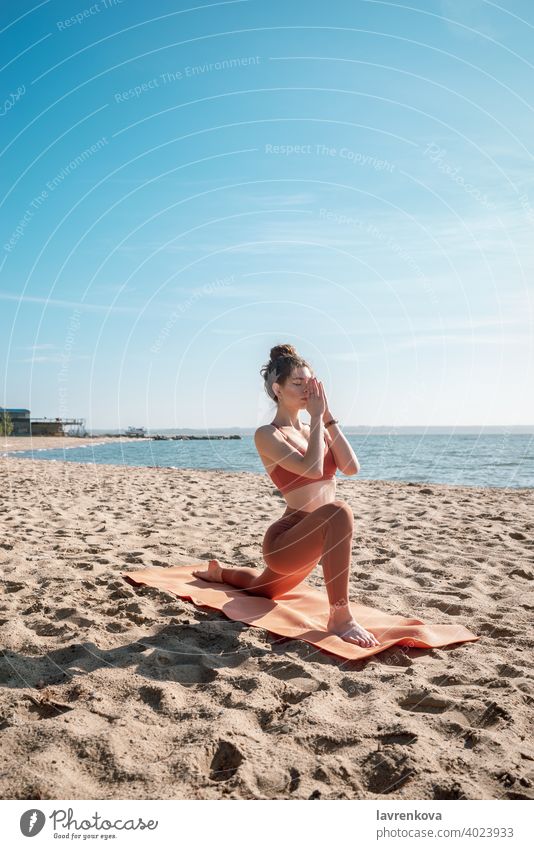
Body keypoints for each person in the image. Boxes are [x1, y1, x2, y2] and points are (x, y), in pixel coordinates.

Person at [193, 344, 380, 647]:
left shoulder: (316, 425)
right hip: (287, 538)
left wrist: (327, 416)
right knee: (339, 511)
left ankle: (220, 573)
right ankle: (340, 617)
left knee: (260, 588)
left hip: (316, 537)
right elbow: (312, 468)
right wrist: (317, 419)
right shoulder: (268, 434)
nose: (307, 389)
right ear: (277, 389)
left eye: (310, 382)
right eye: (298, 382)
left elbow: (351, 467)